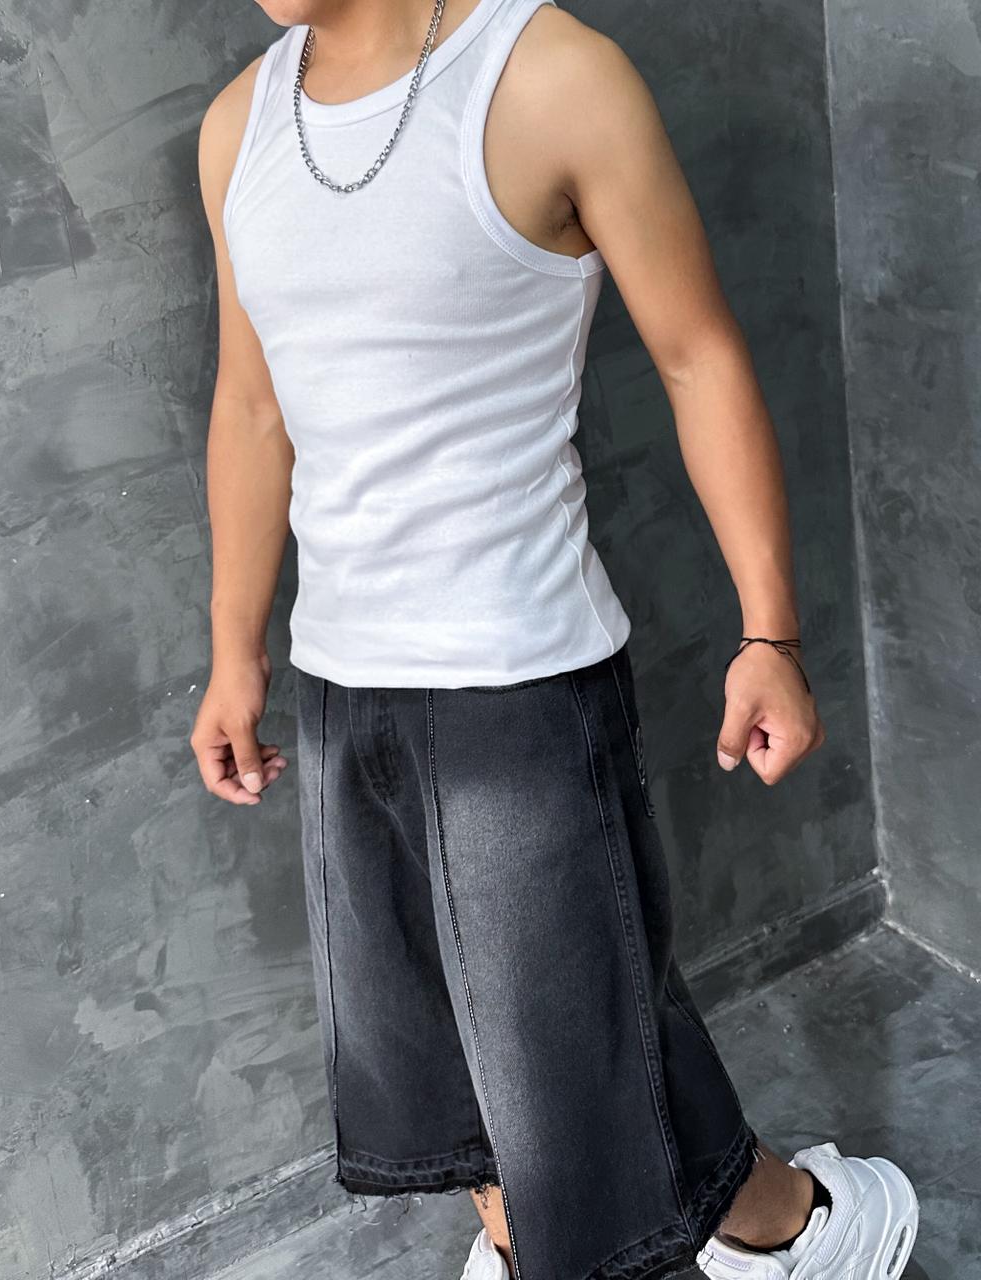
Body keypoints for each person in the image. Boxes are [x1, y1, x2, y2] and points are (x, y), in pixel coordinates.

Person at [188, 1, 920, 1277]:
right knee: (441, 1046)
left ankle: (743, 1231)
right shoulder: (238, 126)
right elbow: (254, 407)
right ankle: (745, 1229)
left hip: (515, 678)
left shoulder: (548, 78)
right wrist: (234, 648)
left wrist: (770, 631)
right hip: (342, 681)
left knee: (570, 1048)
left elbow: (696, 356)